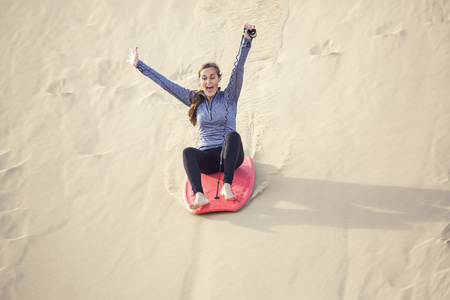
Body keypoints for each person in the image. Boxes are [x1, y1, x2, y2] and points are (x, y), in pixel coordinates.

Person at [128, 23, 256, 210]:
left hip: (231, 157)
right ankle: (199, 195)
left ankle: (226, 186)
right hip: (208, 158)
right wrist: (139, 65)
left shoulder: (229, 96)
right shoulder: (194, 99)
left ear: (219, 79)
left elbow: (239, 67)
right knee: (188, 152)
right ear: (200, 81)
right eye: (204, 78)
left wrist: (247, 40)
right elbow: (166, 84)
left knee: (232, 136)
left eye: (212, 77)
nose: (208, 81)